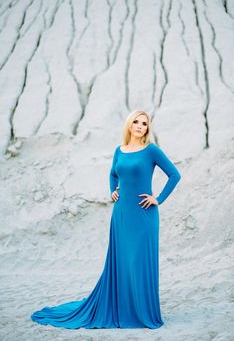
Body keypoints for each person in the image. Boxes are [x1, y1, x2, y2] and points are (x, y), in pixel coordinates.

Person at [30, 110, 181, 329]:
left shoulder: (151, 150)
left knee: (139, 262)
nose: (140, 126)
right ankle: (123, 308)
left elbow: (175, 175)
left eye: (145, 124)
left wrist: (158, 199)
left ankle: (142, 312)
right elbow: (113, 174)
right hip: (121, 215)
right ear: (129, 125)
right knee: (121, 262)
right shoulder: (119, 150)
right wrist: (113, 190)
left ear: (148, 128)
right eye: (136, 122)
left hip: (144, 216)